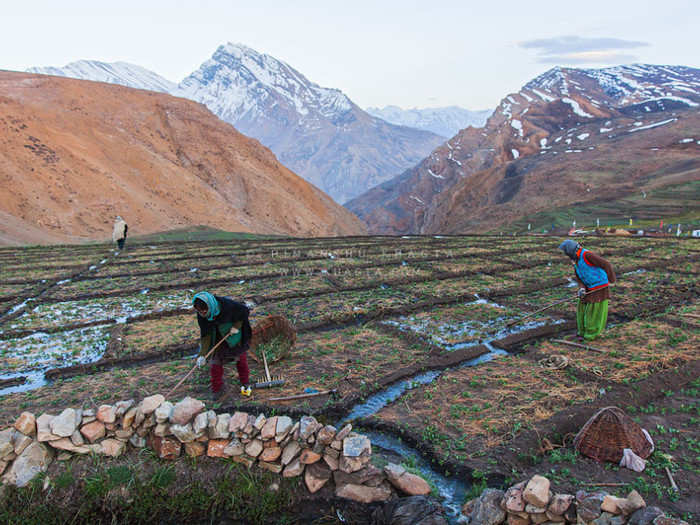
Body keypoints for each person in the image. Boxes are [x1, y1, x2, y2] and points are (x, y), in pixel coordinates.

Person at [192, 291, 252, 398]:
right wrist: (202, 355)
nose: (203, 314)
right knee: (215, 363)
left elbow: (244, 312)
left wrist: (236, 327)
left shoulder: (228, 305)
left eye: (205, 311)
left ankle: (245, 382)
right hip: (217, 337)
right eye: (200, 312)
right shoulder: (201, 315)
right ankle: (217, 389)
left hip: (233, 336)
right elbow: (206, 336)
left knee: (241, 360)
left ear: (210, 305)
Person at [558, 240, 616, 341]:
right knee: (582, 309)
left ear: (571, 251)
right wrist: (581, 288)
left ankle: (591, 335)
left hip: (599, 287)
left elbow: (606, 264)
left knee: (593, 311)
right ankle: (582, 333)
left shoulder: (587, 255)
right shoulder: (576, 261)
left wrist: (611, 280)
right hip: (588, 288)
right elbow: (579, 278)